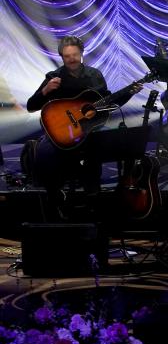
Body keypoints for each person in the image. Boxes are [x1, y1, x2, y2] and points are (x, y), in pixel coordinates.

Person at [25, 35, 140, 218]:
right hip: (61, 131)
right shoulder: (54, 77)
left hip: (88, 131)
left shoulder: (94, 76)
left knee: (104, 145)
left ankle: (93, 201)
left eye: (75, 55)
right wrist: (45, 91)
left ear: (82, 54)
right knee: (44, 153)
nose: (71, 59)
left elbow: (108, 103)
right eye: (67, 56)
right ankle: (54, 197)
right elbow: (31, 106)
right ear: (62, 57)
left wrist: (129, 93)